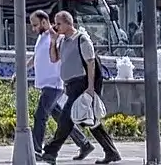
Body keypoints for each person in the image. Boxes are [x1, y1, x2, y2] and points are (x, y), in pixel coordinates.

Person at [41, 10, 119, 165]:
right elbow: (54, 58)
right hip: (70, 85)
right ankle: (111, 152)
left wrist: (90, 88)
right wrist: (53, 42)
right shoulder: (63, 41)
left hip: (81, 84)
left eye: (59, 23)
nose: (56, 27)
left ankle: (51, 152)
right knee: (89, 120)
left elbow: (91, 64)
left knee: (66, 118)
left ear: (68, 23)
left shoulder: (82, 39)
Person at [30, 9, 66, 158]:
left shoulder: (55, 37)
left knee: (40, 116)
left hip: (54, 83)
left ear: (44, 22)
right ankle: (84, 143)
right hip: (46, 83)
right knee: (60, 117)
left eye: (35, 25)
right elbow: (36, 57)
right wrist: (22, 68)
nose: (33, 28)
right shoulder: (41, 37)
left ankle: (36, 149)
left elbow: (58, 57)